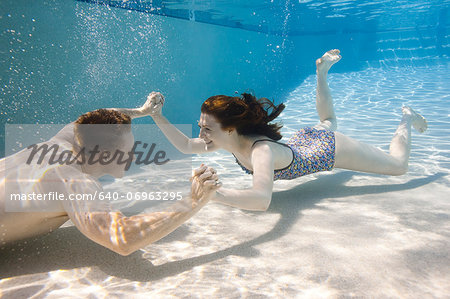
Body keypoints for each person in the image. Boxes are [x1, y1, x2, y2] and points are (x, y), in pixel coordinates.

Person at [146, 49, 428, 212]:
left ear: (230, 129)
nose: (202, 135)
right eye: (201, 127)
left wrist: (215, 194)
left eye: (207, 128)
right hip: (303, 141)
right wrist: (157, 115)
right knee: (328, 119)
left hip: (326, 149)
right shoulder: (226, 140)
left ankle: (406, 118)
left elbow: (261, 200)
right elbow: (185, 145)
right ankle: (321, 73)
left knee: (398, 167)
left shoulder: (261, 151)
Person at [0, 100, 221, 256]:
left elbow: (102, 113)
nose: (134, 156)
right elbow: (122, 239)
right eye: (127, 152)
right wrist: (193, 201)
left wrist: (141, 111)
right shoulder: (74, 180)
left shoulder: (70, 137)